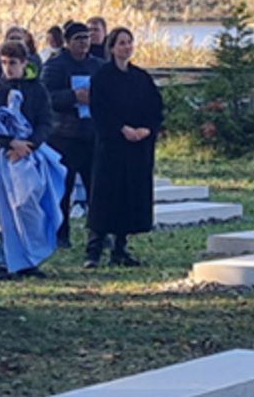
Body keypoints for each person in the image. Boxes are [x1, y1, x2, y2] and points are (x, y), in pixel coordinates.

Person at [0, 40, 60, 279]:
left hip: (30, 155)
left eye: (13, 63)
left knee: (28, 203)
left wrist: (30, 144)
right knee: (2, 207)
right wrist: (9, 143)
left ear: (24, 63)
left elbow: (46, 121)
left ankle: (29, 257)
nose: (8, 68)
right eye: (4, 63)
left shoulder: (37, 89)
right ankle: (2, 260)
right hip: (5, 155)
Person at [87, 28, 163, 268]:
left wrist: (147, 129)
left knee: (129, 196)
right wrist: (121, 128)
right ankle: (94, 250)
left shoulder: (141, 77)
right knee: (105, 196)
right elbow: (99, 110)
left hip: (137, 148)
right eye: (121, 43)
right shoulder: (102, 77)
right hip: (112, 146)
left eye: (129, 42)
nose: (126, 47)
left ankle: (120, 249)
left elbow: (155, 108)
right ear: (111, 48)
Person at [41, 21, 104, 261]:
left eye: (86, 38)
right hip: (63, 136)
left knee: (95, 188)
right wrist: (72, 96)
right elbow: (46, 97)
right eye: (78, 38)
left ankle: (98, 233)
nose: (83, 43)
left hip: (91, 134)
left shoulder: (98, 65)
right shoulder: (55, 66)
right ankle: (61, 232)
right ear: (67, 42)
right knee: (62, 190)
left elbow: (109, 94)